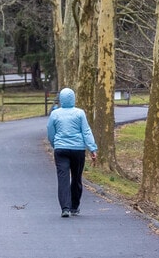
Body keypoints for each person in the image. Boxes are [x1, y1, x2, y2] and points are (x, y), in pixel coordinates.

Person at [46, 87, 98, 218]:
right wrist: (92, 148)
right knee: (76, 177)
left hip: (61, 149)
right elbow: (86, 131)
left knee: (63, 178)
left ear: (61, 100)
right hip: (78, 150)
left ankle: (65, 208)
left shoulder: (55, 114)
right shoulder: (80, 113)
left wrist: (55, 144)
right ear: (73, 98)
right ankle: (74, 206)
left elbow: (50, 131)